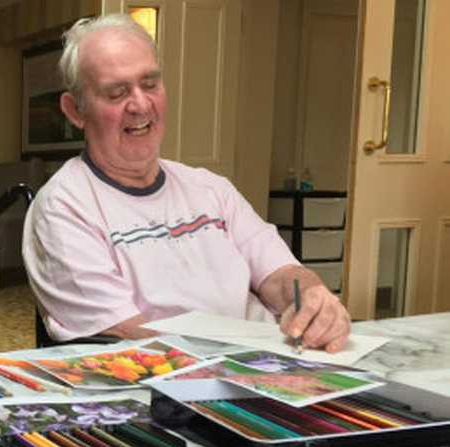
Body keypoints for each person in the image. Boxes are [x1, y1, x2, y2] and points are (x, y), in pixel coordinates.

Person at [22, 14, 350, 352]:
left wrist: (311, 296)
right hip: (181, 383)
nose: (140, 104)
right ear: (76, 110)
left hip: (274, 365)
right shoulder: (64, 206)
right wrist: (248, 357)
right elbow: (125, 340)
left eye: (150, 84)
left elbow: (280, 275)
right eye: (117, 92)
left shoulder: (211, 189)